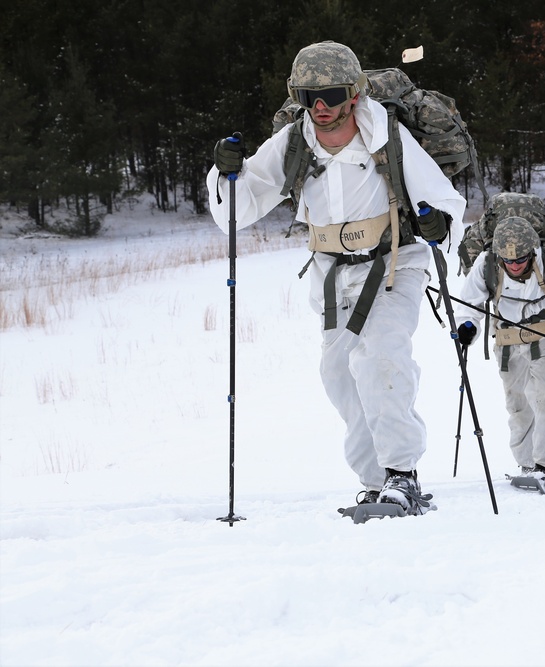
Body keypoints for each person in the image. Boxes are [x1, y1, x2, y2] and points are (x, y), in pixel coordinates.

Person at [207, 41, 466, 515]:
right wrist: (225, 175)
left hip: (393, 263)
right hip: (331, 273)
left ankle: (401, 475)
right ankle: (374, 482)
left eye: (330, 94)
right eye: (308, 97)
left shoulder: (387, 135)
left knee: (382, 355)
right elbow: (238, 211)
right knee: (339, 375)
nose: (320, 108)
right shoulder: (293, 142)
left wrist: (439, 225)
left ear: (353, 94)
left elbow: (443, 198)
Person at [454, 216, 545, 493]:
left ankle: (544, 467)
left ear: (532, 251)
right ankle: (526, 465)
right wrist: (467, 326)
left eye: (520, 260)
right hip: (508, 340)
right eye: (508, 261)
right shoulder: (487, 263)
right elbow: (469, 302)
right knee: (518, 404)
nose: (513, 265)